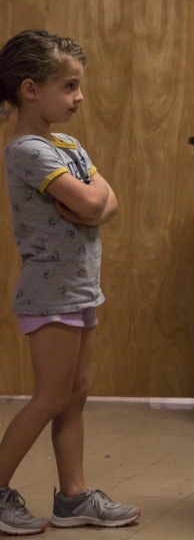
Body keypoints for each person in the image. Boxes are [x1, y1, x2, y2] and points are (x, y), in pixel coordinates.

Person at [0, 30, 140, 535]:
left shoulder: (67, 144)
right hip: (51, 291)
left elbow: (107, 201)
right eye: (69, 86)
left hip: (80, 288)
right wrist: (92, 199)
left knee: (75, 394)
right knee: (51, 396)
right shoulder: (27, 151)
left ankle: (74, 497)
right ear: (30, 88)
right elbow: (89, 203)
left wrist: (92, 198)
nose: (79, 96)